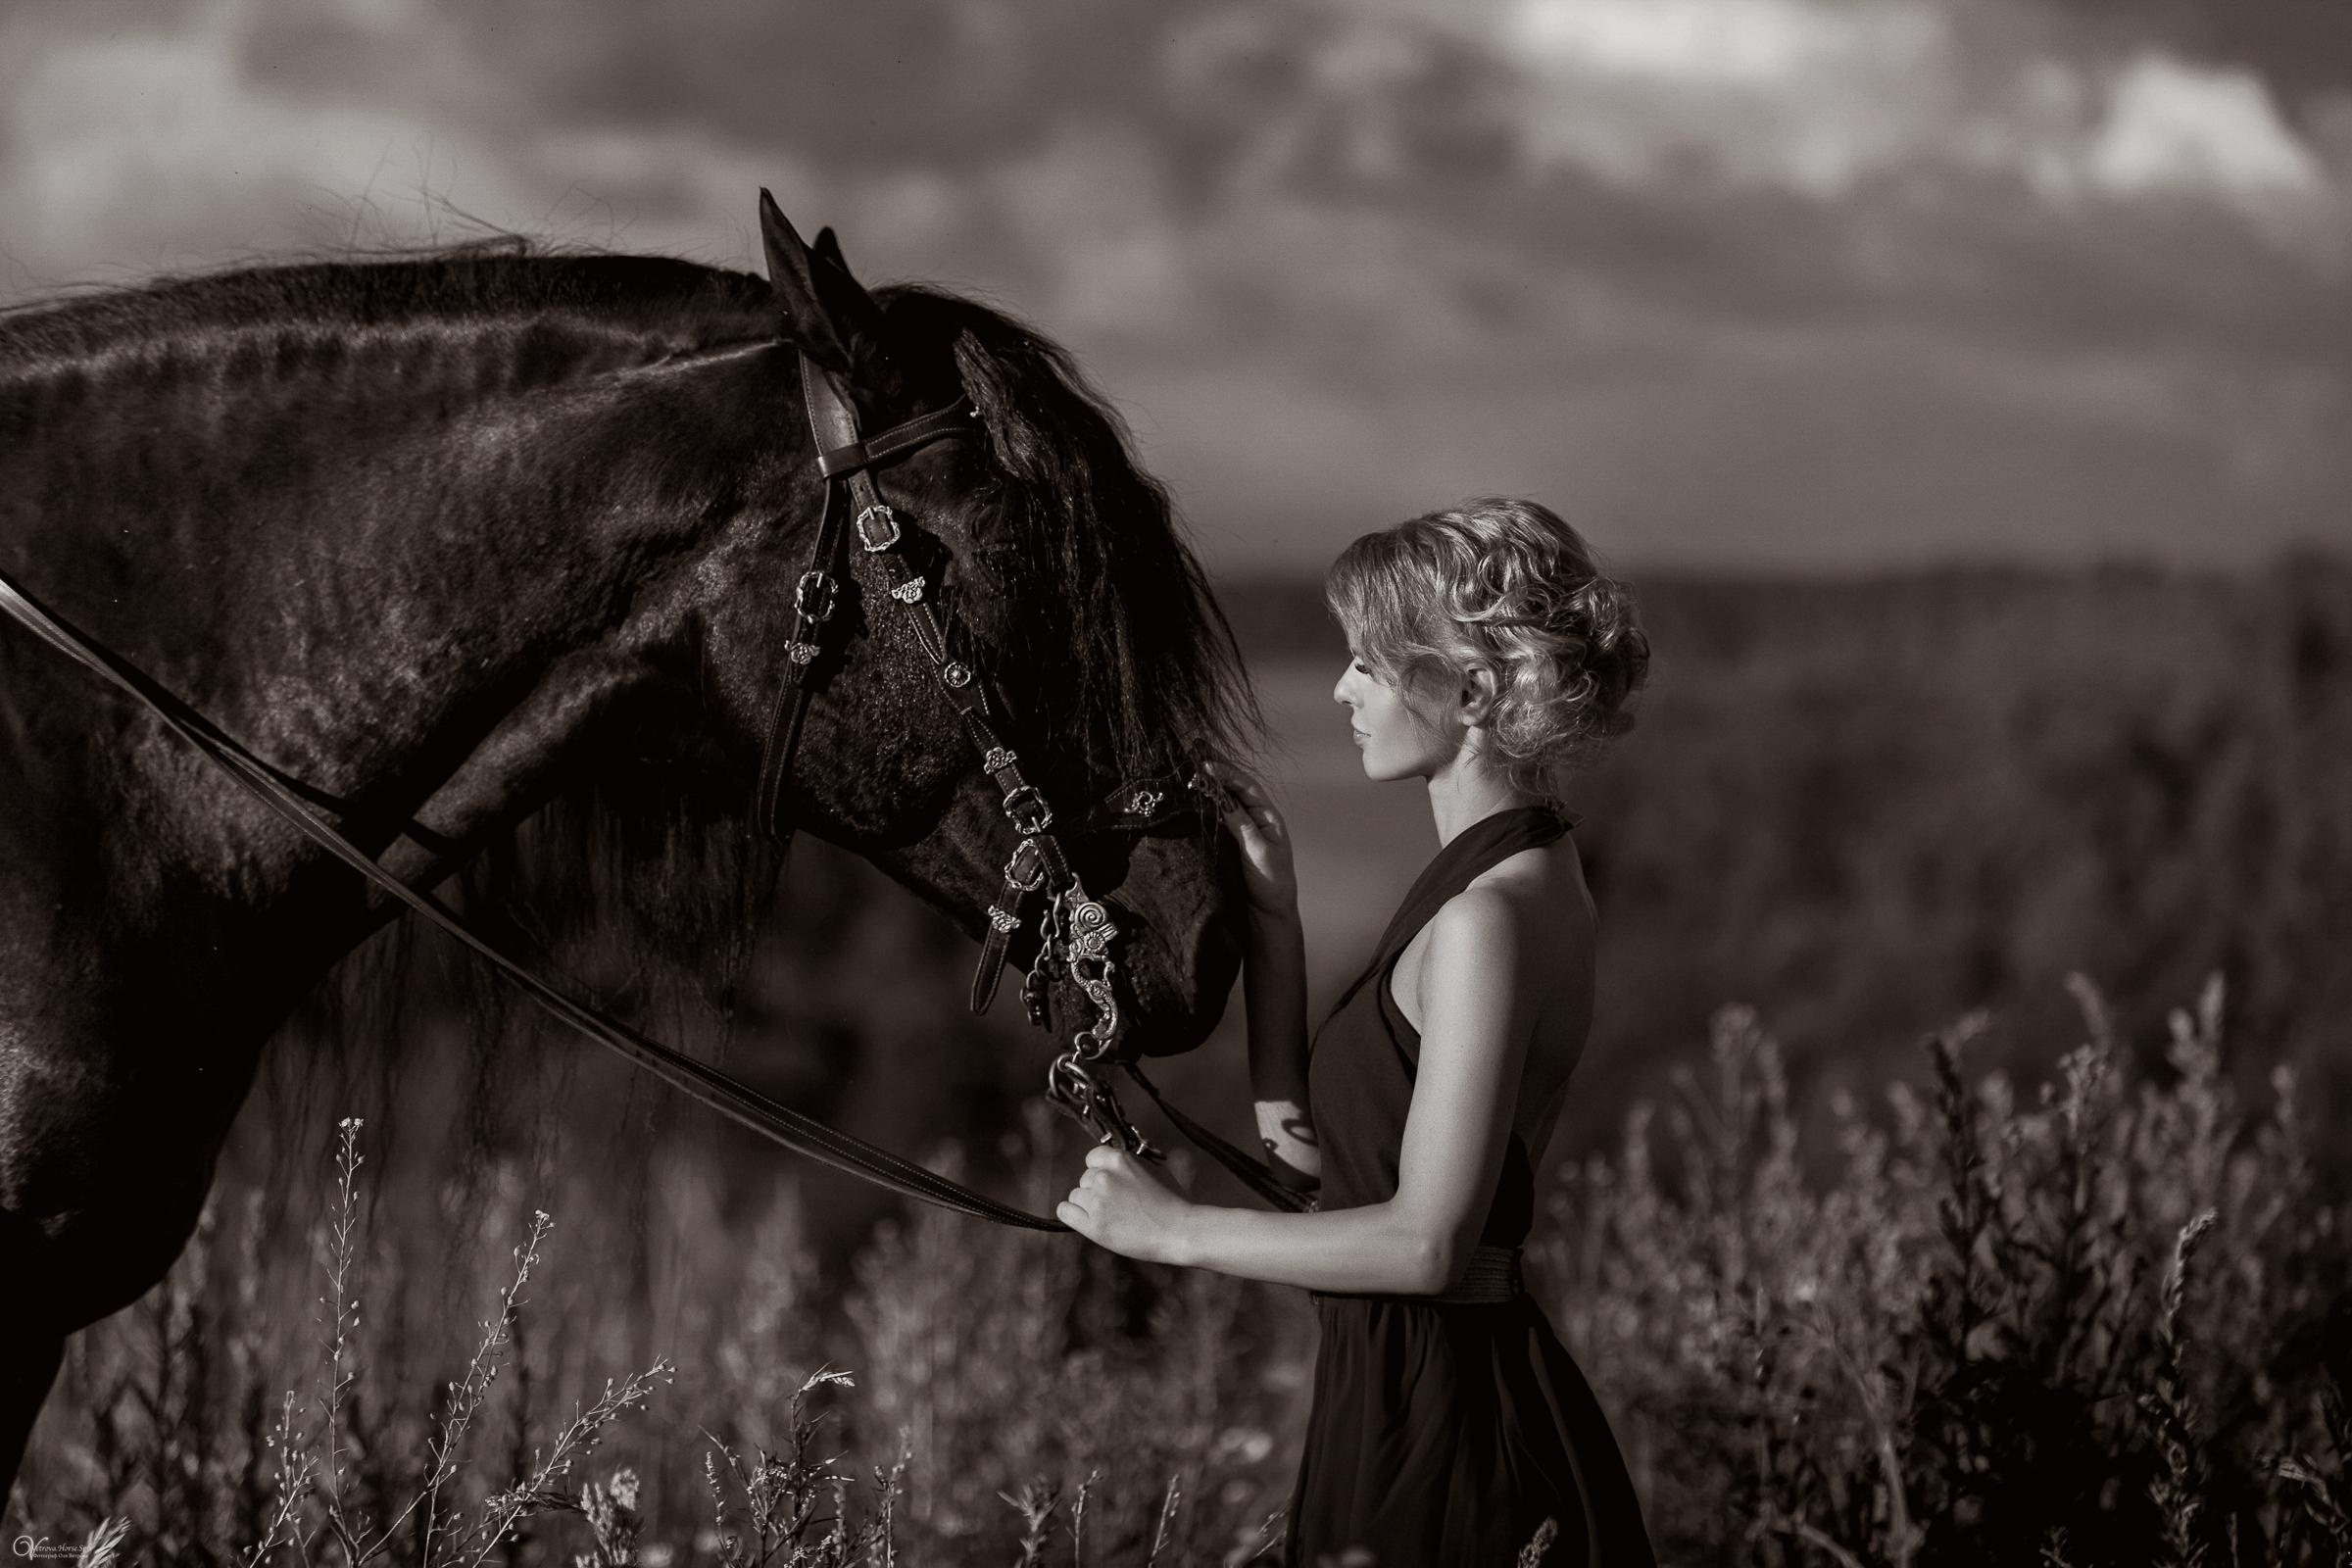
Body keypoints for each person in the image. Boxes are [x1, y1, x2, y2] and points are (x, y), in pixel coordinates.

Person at [1057, 496, 1657, 1566]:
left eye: (1370, 665)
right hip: (1397, 1396)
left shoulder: (1483, 919)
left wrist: (1172, 1233)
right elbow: (1328, 1177)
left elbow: (1422, 1244)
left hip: (1450, 1434)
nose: (1341, 689)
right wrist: (1277, 927)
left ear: (1470, 689)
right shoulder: (1514, 873)